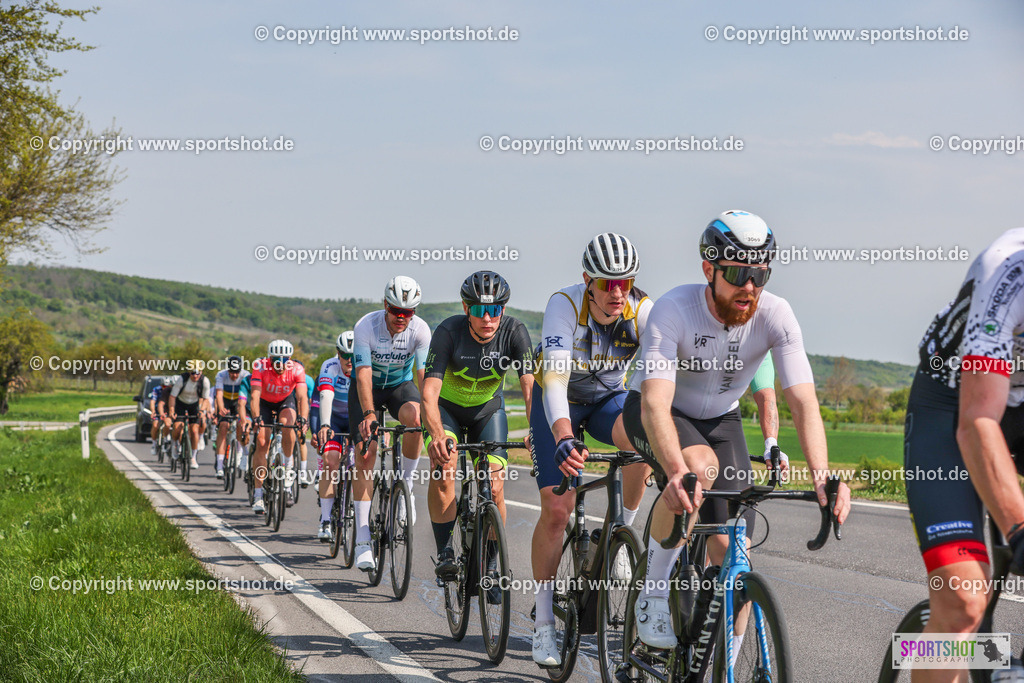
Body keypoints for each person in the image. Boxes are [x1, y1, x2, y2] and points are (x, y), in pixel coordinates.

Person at [621, 209, 851, 654]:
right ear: (709, 268)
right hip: (658, 411)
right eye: (738, 273)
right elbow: (653, 403)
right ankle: (652, 591)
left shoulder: (777, 315)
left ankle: (725, 663)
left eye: (759, 274)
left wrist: (823, 475)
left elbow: (802, 402)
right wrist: (672, 469)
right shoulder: (674, 308)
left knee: (736, 554)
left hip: (721, 419)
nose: (750, 287)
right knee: (696, 468)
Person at [905, 228, 1024, 683]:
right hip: (953, 402)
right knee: (963, 601)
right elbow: (978, 421)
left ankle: (1000, 665)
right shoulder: (1009, 268)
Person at [530, 233, 654, 667]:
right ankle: (544, 622)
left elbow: (659, 378)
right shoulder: (564, 305)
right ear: (588, 280)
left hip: (606, 401)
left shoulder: (643, 310)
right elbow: (557, 382)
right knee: (558, 508)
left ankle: (621, 535)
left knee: (643, 441)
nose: (618, 293)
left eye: (626, 282)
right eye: (607, 284)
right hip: (558, 402)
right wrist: (564, 436)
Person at [422, 271, 534, 589]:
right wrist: (436, 434)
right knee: (444, 469)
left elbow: (530, 391)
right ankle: (445, 552)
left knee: (495, 487)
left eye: (495, 310)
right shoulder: (448, 331)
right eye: (479, 310)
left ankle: (492, 562)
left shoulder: (515, 332)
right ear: (465, 308)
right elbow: (428, 394)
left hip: (487, 412)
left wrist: (536, 430)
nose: (487, 318)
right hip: (447, 412)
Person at [351, 276, 431, 571]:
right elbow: (362, 375)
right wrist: (370, 413)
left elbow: (423, 377)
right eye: (396, 310)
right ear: (385, 304)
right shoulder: (366, 326)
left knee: (417, 417)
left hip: (400, 385)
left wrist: (433, 417)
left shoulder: (420, 330)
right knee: (367, 452)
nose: (401, 317)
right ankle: (361, 539)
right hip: (366, 388)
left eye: (407, 312)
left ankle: (406, 483)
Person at [249, 340, 308, 514]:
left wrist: (303, 418)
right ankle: (258, 495)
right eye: (276, 359)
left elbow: (302, 398)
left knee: (288, 425)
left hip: (285, 400)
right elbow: (254, 395)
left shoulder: (297, 369)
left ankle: (288, 474)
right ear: (269, 358)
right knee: (261, 442)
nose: (280, 364)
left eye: (284, 360)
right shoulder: (260, 366)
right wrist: (256, 418)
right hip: (265, 403)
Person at [314, 331, 355, 542]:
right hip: (335, 418)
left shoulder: (366, 366)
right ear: (337, 353)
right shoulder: (329, 366)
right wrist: (325, 424)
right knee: (331, 463)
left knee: (362, 463)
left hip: (356, 418)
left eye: (354, 355)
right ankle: (326, 519)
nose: (349, 360)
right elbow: (326, 395)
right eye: (345, 355)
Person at [168, 363, 211, 470]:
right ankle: (174, 444)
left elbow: (206, 399)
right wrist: (172, 410)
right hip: (181, 403)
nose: (195, 376)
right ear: (189, 372)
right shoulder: (181, 379)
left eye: (198, 373)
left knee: (195, 430)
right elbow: (172, 396)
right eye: (193, 373)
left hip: (194, 405)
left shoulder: (204, 381)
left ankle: (193, 457)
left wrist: (202, 410)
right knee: (178, 427)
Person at [213, 355, 249, 478]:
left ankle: (239, 453)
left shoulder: (246, 375)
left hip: (239, 402)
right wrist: (221, 408)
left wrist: (241, 411)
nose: (234, 375)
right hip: (226, 402)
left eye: (237, 372)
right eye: (232, 372)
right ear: (228, 370)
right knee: (223, 427)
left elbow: (247, 396)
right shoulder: (221, 375)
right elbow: (218, 395)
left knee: (241, 425)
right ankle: (219, 465)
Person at [149, 376, 173, 454]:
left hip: (168, 409)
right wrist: (153, 411)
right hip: (157, 409)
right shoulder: (156, 389)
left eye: (166, 386)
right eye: (163, 386)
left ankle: (166, 439)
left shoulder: (172, 391)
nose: (164, 388)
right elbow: (153, 401)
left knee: (169, 424)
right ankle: (154, 443)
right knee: (155, 425)